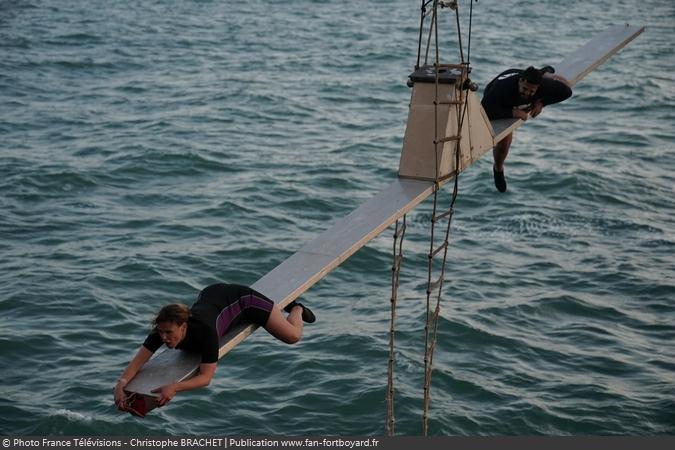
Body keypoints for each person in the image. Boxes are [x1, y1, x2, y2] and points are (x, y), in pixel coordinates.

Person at [113, 283, 315, 412]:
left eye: (169, 333)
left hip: (244, 300)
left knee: (292, 336)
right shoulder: (163, 329)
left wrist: (175, 386)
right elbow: (138, 362)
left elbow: (205, 378)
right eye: (161, 333)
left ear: (183, 326)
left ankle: (297, 308)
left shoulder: (206, 333)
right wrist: (121, 384)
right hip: (211, 294)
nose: (164, 337)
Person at [481, 66, 573, 192]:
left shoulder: (542, 87)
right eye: (525, 89)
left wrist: (542, 103)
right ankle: (498, 168)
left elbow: (566, 91)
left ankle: (545, 74)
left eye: (531, 91)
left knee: (558, 82)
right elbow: (485, 110)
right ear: (520, 81)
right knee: (504, 143)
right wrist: (512, 112)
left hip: (527, 90)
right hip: (500, 101)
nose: (527, 93)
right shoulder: (502, 88)